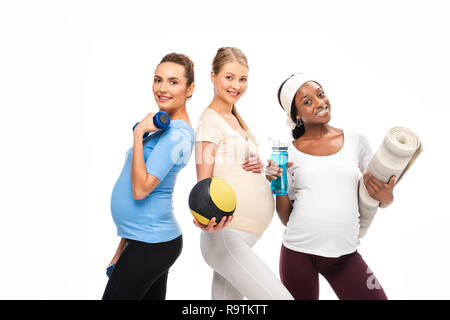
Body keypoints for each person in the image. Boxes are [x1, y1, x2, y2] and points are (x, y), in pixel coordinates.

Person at [266, 73, 394, 300]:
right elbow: (286, 218)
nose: (319, 103)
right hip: (297, 253)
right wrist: (280, 184)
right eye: (307, 102)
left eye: (320, 94)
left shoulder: (356, 140)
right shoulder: (288, 153)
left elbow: (379, 192)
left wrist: (387, 197)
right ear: (297, 115)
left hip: (344, 256)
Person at [194, 47, 293, 300]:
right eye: (229, 77)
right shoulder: (210, 120)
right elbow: (203, 185)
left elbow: (234, 166)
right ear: (213, 76)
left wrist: (263, 169)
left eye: (243, 79)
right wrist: (204, 218)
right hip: (225, 235)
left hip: (242, 236)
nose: (236, 85)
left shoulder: (236, 121)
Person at [102, 53, 195, 300]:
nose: (162, 88)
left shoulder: (176, 135)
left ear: (190, 89)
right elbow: (139, 205)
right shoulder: (162, 132)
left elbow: (140, 190)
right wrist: (122, 248)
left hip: (152, 244)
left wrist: (139, 131)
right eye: (158, 80)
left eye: (173, 82)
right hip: (144, 240)